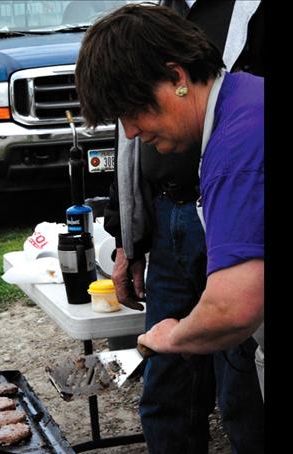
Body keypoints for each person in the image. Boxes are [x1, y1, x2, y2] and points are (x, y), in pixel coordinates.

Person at [75, 2, 264, 453]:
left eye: (132, 111)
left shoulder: (237, 148)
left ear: (177, 78)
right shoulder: (247, 98)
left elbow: (234, 307)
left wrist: (170, 335)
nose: (132, 133)